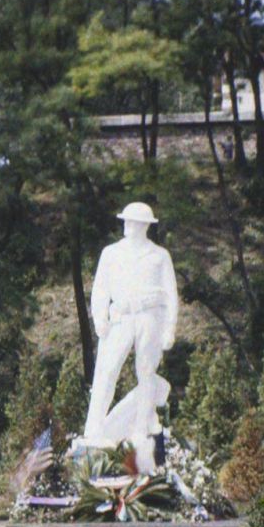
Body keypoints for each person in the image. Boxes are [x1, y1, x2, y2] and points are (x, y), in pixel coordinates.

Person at [80, 201, 179, 470]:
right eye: (126, 221)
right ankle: (94, 429)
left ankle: (140, 428)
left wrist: (170, 327)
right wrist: (99, 318)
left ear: (145, 226)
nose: (128, 226)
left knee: (146, 373)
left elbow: (171, 295)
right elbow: (100, 289)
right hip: (121, 317)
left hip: (150, 316)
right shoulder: (111, 253)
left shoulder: (160, 256)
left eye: (133, 222)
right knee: (107, 370)